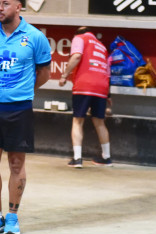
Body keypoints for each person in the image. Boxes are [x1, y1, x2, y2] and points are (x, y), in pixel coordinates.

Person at [0, 0, 51, 234]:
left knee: (16, 163)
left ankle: (12, 217)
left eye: (6, 3)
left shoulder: (35, 37)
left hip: (20, 109)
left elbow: (44, 74)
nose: (0, 8)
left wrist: (23, 90)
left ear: (19, 7)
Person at [58, 26, 112, 168]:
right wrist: (108, 95)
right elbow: (107, 71)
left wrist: (64, 75)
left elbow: (76, 56)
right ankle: (106, 158)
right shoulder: (102, 47)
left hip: (84, 85)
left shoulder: (79, 38)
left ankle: (77, 159)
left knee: (78, 121)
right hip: (101, 88)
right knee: (99, 122)